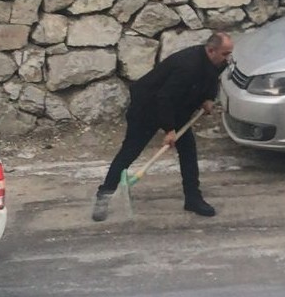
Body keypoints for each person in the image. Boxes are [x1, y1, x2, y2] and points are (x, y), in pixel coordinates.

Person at [92, 31, 234, 222]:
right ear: (211, 50)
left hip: (178, 106)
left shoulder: (216, 62)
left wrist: (208, 98)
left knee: (188, 152)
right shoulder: (188, 65)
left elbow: (211, 79)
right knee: (130, 152)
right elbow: (164, 97)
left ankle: (193, 198)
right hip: (148, 106)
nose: (228, 58)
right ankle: (104, 196)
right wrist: (169, 130)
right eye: (225, 53)